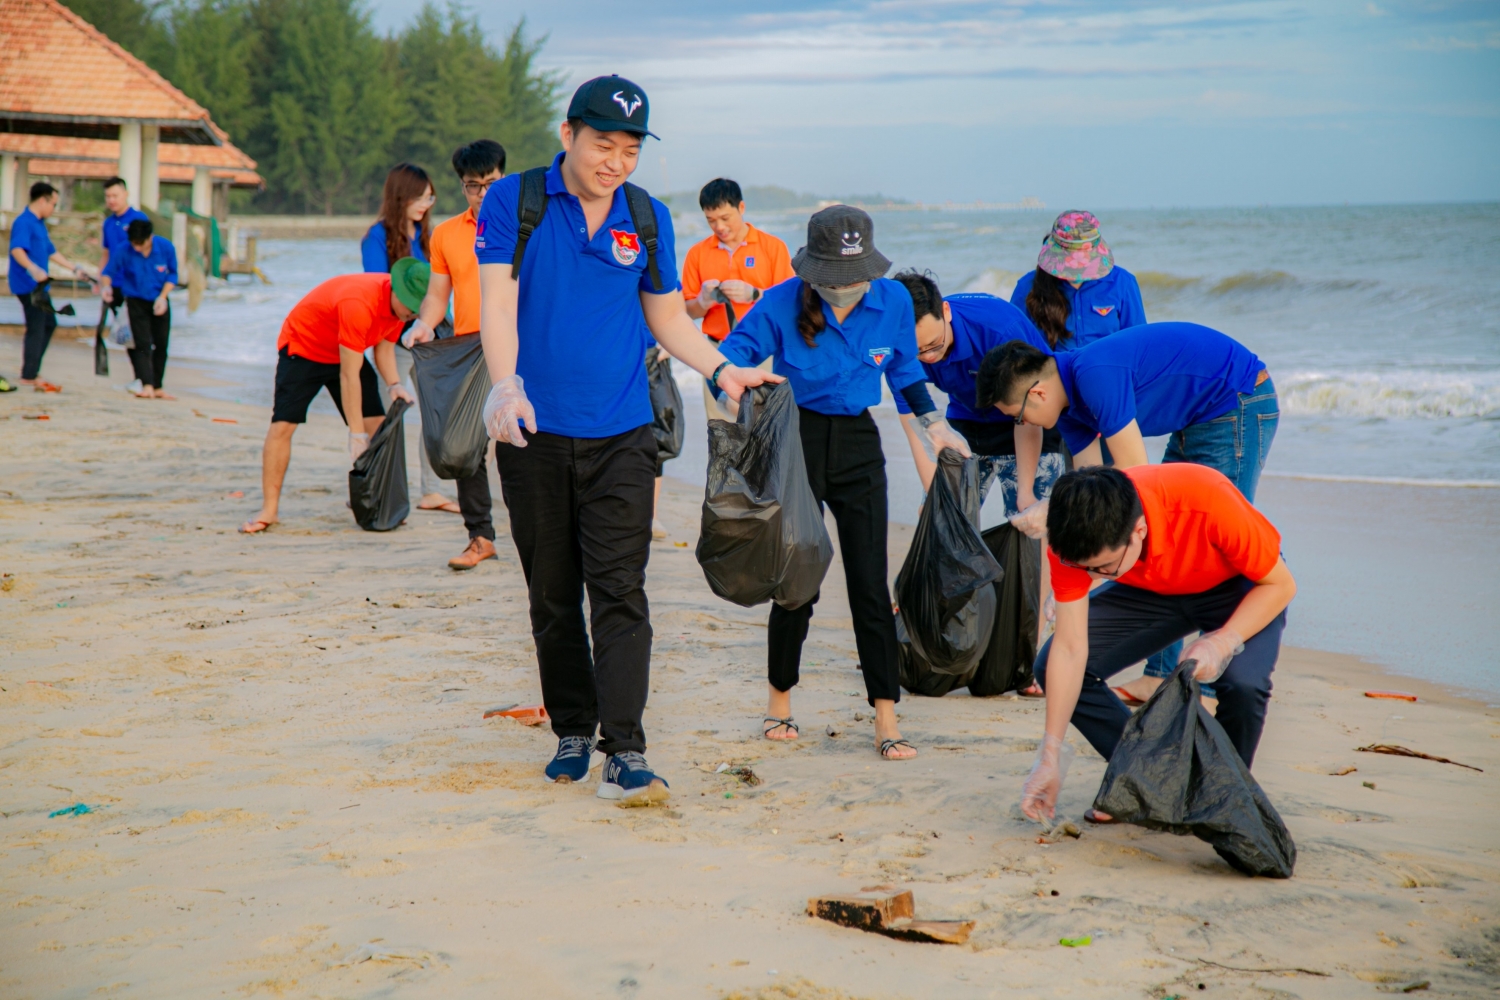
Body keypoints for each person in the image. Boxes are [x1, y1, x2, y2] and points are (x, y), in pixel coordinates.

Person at [474, 75, 780, 803]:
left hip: (622, 434)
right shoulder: (513, 202)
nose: (615, 161)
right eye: (602, 144)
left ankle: (626, 747)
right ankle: (573, 728)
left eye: (630, 149)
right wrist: (504, 384)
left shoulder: (644, 217)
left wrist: (721, 368)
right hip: (533, 434)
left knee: (620, 591)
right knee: (551, 594)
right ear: (568, 134)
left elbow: (669, 318)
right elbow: (497, 303)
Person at [716, 206, 971, 759]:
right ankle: (779, 703)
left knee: (869, 586)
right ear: (813, 272)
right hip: (798, 442)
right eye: (835, 279)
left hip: (859, 445)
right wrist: (731, 386)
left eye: (856, 278)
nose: (846, 289)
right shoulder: (782, 300)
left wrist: (936, 427)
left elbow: (904, 371)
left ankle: (885, 717)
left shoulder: (894, 302)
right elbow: (731, 356)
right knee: (797, 578)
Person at [977, 321, 1280, 703]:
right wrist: (1078, 575)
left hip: (1236, 398)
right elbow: (1094, 489)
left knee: (1210, 550)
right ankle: (1159, 676)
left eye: (1018, 416)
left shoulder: (1094, 375)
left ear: (1037, 392)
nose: (1021, 425)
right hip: (1196, 415)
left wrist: (1050, 507)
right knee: (1161, 537)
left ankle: (1209, 682)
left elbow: (1135, 477)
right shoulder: (1068, 408)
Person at [1018, 464, 1296, 824]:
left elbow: (1281, 585)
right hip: (1151, 591)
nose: (1092, 578)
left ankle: (1223, 796)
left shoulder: (1206, 497)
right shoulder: (1073, 538)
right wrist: (1049, 756)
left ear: (1139, 530)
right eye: (1085, 569)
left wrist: (1222, 641)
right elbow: (1070, 649)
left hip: (1237, 586)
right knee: (1049, 665)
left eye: (1102, 568)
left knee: (1243, 684)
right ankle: (1144, 777)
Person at [892, 270, 1064, 697]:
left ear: (946, 312)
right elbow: (913, 418)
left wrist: (1025, 492)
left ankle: (1030, 655)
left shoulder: (998, 329)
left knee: (1033, 530)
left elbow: (1031, 407)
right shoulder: (901, 345)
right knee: (942, 525)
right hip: (965, 423)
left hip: (1027, 421)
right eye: (919, 354)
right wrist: (935, 490)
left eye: (935, 346)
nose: (929, 359)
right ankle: (945, 641)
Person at [239, 261, 426, 534]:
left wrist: (394, 384)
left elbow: (383, 349)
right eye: (409, 309)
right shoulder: (359, 303)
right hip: (304, 348)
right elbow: (349, 376)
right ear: (395, 290)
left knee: (379, 427)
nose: (410, 316)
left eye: (415, 313)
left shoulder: (401, 313)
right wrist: (355, 434)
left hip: (345, 351)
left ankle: (376, 500)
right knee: (283, 426)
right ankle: (269, 510)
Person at [405, 139, 506, 571]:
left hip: (524, 345)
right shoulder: (446, 234)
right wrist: (425, 324)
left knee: (530, 444)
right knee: (465, 445)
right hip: (469, 346)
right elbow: (436, 295)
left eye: (490, 184)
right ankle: (480, 536)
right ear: (462, 187)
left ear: (505, 178)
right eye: (472, 186)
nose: (482, 195)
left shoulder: (530, 228)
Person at [362, 163, 455, 514]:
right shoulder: (377, 237)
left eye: (430, 197)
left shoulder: (431, 237)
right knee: (391, 414)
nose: (425, 204)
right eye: (419, 197)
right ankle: (383, 486)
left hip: (433, 336)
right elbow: (377, 287)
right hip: (394, 337)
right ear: (399, 196)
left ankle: (432, 490)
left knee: (438, 411)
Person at [682, 177, 794, 415]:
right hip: (715, 354)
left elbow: (791, 304)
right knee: (721, 431)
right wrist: (703, 301)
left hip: (763, 350)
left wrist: (754, 293)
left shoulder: (773, 247)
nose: (719, 227)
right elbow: (685, 312)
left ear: (741, 208)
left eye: (725, 218)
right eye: (711, 221)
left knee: (766, 428)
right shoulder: (697, 254)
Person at [1010, 210, 1145, 350]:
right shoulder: (1026, 287)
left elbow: (1138, 345)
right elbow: (1012, 349)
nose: (1076, 273)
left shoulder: (1123, 283)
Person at [7, 182, 94, 393]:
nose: (54, 208)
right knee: (37, 326)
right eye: (53, 204)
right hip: (28, 285)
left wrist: (75, 269)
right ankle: (28, 375)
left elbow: (51, 252)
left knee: (48, 323)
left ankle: (32, 370)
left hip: (40, 287)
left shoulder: (40, 224)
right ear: (43, 200)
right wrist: (33, 269)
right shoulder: (24, 222)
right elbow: (17, 250)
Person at [100, 218, 178, 399]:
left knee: (162, 344)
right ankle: (147, 385)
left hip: (160, 299)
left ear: (150, 237)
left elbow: (173, 274)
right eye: (133, 243)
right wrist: (106, 287)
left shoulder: (165, 248)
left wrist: (163, 296)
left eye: (140, 243)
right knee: (142, 344)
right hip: (135, 301)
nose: (136, 247)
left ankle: (158, 386)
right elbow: (108, 273)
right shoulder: (124, 249)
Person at [98, 176, 149, 275]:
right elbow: (106, 253)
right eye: (108, 196)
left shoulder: (139, 218)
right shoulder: (108, 223)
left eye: (115, 196)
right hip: (113, 281)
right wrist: (100, 277)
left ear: (126, 194)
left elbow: (148, 250)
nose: (111, 200)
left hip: (134, 282)